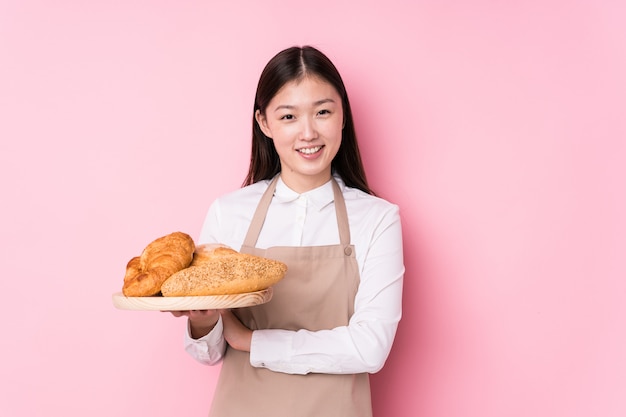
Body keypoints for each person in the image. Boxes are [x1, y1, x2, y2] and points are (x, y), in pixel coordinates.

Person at [171, 45, 404, 417]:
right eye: (289, 116)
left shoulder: (377, 219)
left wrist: (250, 341)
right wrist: (203, 319)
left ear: (343, 116)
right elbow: (210, 353)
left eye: (323, 112)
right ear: (264, 123)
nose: (308, 133)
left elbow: (370, 348)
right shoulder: (229, 212)